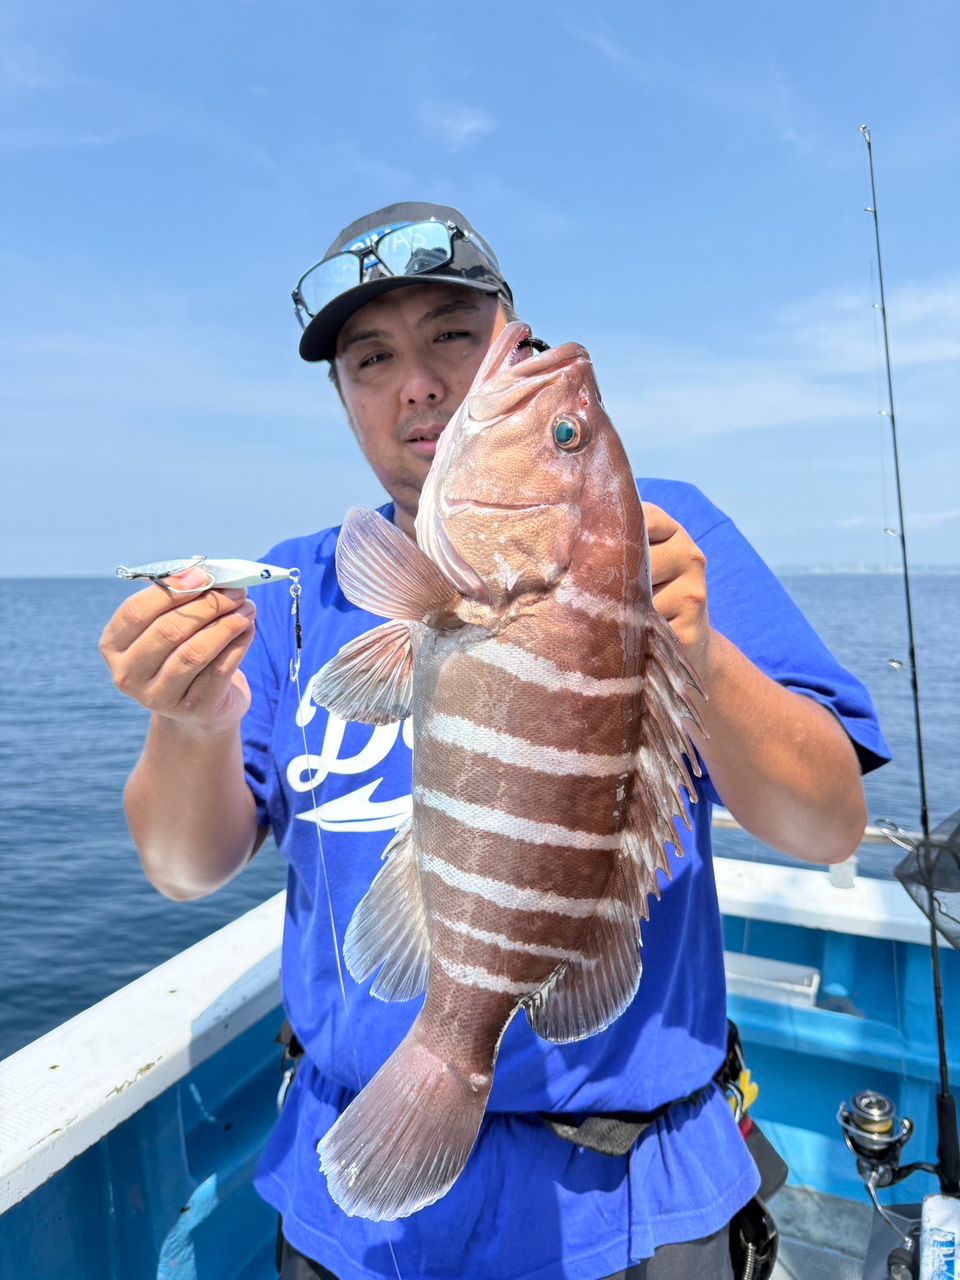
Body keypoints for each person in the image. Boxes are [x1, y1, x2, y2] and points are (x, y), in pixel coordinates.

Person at [100, 202, 891, 1280]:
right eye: (371, 357)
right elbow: (184, 865)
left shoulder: (665, 543)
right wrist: (188, 720)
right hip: (351, 1206)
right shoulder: (292, 586)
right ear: (343, 398)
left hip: (628, 1204)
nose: (417, 381)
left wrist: (696, 649)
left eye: (454, 336)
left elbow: (828, 822)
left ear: (509, 333)